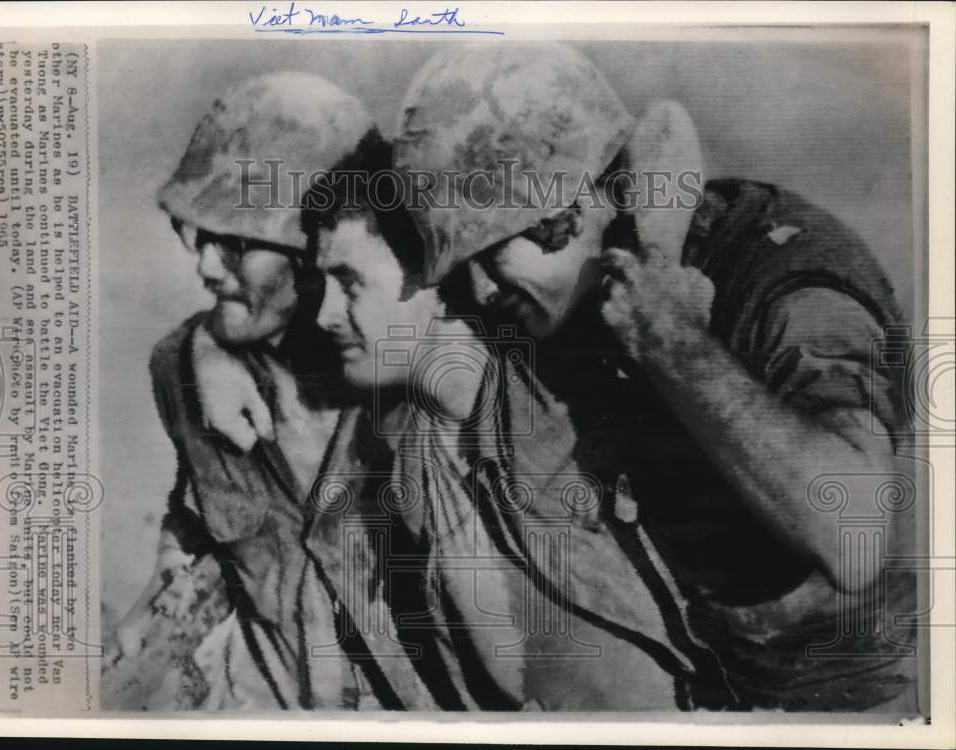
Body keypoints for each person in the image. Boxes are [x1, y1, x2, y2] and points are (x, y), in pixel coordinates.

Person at [389, 43, 918, 711]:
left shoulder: (780, 278)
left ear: (571, 212)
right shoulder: (571, 304)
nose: (480, 290)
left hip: (875, 691)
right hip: (716, 689)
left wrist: (672, 342)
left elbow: (854, 535)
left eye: (490, 252)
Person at [201, 118, 727, 711]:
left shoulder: (563, 386)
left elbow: (664, 127)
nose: (324, 316)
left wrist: (658, 277)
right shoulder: (407, 452)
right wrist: (207, 348)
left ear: (440, 275)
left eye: (349, 284)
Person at [101, 71, 407, 710]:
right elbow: (205, 511)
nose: (206, 267)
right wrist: (162, 587)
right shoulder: (178, 368)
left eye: (237, 245)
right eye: (197, 236)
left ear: (315, 247)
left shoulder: (408, 370)